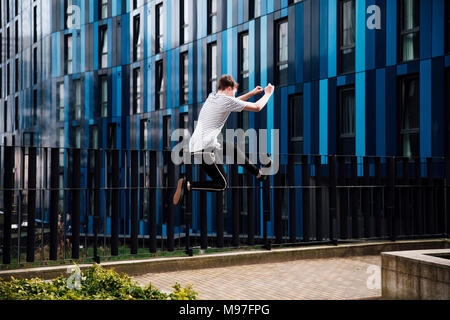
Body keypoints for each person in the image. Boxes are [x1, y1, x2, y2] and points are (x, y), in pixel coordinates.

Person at [173, 74, 275, 206]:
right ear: (228, 88)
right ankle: (188, 185)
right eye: (233, 92)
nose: (233, 96)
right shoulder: (226, 101)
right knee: (221, 184)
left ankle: (259, 174)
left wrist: (251, 93)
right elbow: (257, 107)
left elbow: (234, 102)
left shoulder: (213, 96)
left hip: (199, 144)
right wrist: (268, 94)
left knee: (232, 148)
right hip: (204, 149)